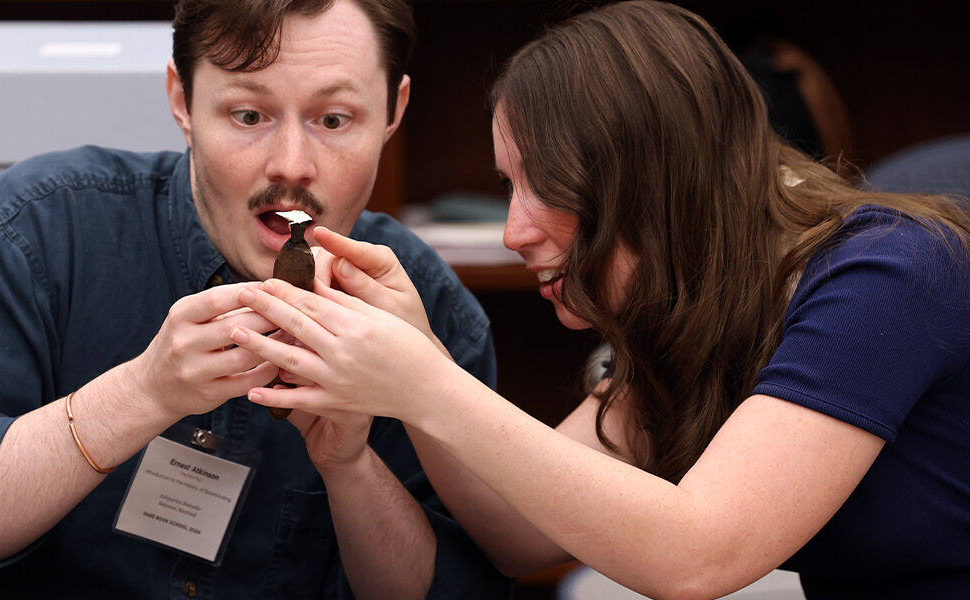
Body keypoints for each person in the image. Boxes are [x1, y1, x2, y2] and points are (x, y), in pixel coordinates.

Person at [228, 2, 970, 598]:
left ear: (657, 177)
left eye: (544, 186)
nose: (515, 231)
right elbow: (520, 536)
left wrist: (428, 384)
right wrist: (415, 376)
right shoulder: (697, 316)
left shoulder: (896, 273)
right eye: (506, 187)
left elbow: (698, 558)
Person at [0, 0, 510, 598]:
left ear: (393, 111)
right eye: (248, 115)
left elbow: (463, 588)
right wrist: (142, 394)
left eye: (334, 120)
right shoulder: (34, 229)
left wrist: (351, 468)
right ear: (181, 99)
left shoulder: (427, 310)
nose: (291, 164)